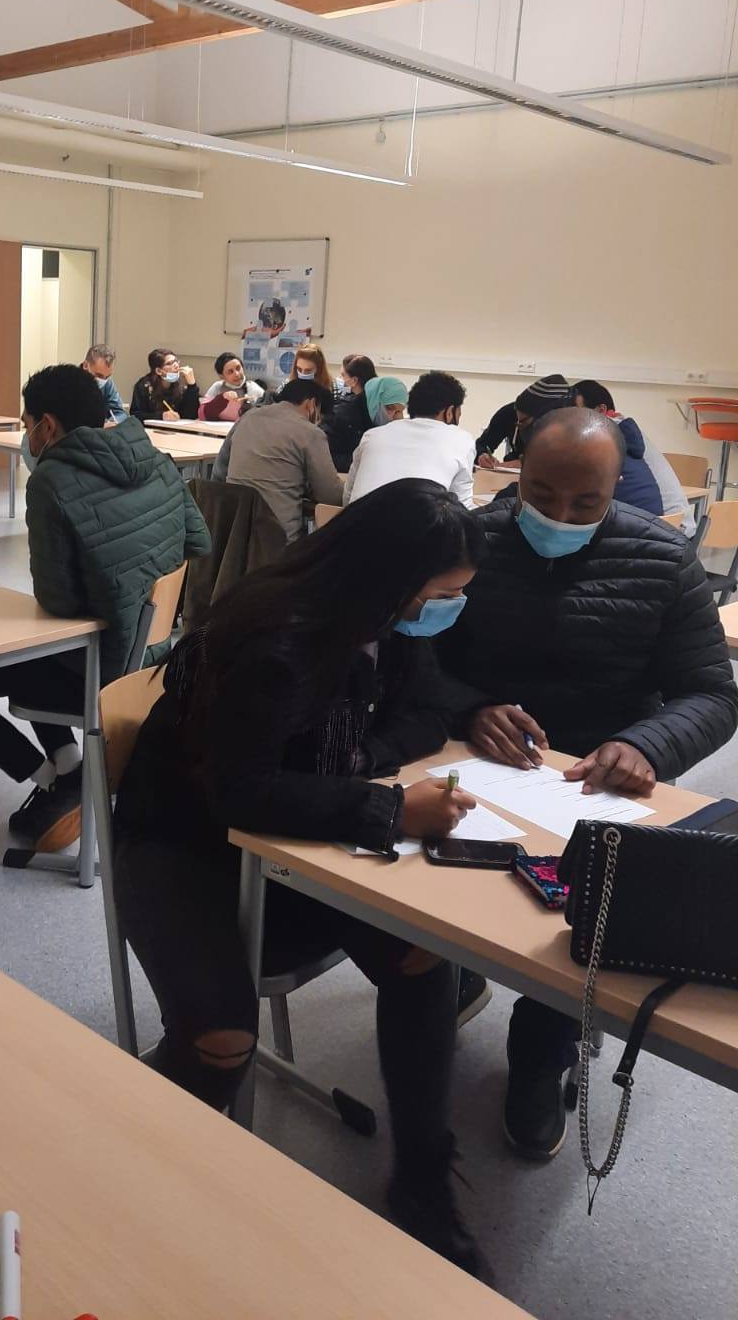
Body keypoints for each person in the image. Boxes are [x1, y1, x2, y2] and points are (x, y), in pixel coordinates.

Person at [114, 481, 486, 1274]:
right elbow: (239, 793)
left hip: (299, 839)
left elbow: (427, 711)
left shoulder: (384, 621)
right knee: (220, 1042)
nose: (446, 611)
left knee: (424, 955)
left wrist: (363, 761)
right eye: (439, 596)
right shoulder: (271, 642)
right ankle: (122, 1173)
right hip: (185, 844)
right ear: (388, 581)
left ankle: (422, 1179)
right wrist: (389, 809)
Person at [438, 408, 738, 1162]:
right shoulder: (475, 539)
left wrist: (645, 744)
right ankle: (450, 980)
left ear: (617, 488)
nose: (560, 517)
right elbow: (419, 662)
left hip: (601, 780)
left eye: (586, 504)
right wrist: (469, 707)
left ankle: (541, 1057)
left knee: (584, 929)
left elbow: (713, 694)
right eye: (541, 496)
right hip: (484, 763)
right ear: (516, 474)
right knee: (435, 890)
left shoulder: (662, 557)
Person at [0, 366, 210, 851]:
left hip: (101, 664)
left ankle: (51, 781)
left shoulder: (51, 481)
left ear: (48, 425)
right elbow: (199, 541)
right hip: (155, 657)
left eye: (27, 423)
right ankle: (71, 767)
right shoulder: (156, 458)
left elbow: (56, 601)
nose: (27, 435)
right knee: (37, 655)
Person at [221, 378, 345, 542]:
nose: (318, 422)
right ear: (311, 404)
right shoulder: (310, 432)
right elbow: (330, 496)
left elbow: (219, 471)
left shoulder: (247, 417)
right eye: (319, 417)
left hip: (232, 531)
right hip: (278, 538)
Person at [346, 371, 475, 508]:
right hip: (417, 521)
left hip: (355, 520)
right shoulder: (462, 440)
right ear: (449, 412)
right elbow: (463, 509)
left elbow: (348, 494)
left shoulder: (372, 435)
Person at [571, 379, 663, 517]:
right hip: (660, 523)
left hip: (638, 525)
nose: (572, 421)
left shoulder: (601, 441)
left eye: (577, 413)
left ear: (601, 410)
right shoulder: (626, 434)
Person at [474, 374, 570, 468]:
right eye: (517, 422)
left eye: (523, 422)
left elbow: (562, 462)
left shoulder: (569, 426)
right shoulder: (509, 413)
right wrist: (481, 455)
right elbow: (482, 444)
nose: (519, 425)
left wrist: (524, 463)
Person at [129, 349, 200, 422]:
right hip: (151, 428)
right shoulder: (144, 386)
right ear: (159, 371)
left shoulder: (181, 385)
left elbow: (190, 415)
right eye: (169, 363)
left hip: (177, 427)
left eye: (176, 361)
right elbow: (136, 415)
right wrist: (161, 416)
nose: (176, 365)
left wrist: (192, 385)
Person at [200, 352, 265, 422]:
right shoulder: (217, 387)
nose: (237, 374)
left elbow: (267, 415)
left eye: (238, 368)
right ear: (221, 376)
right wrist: (222, 398)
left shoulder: (253, 388)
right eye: (230, 372)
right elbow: (202, 414)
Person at [284, 343, 337, 413]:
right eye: (299, 369)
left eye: (308, 370)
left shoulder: (331, 386)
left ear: (319, 369)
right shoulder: (288, 383)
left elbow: (333, 414)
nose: (302, 373)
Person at [81, 344, 127, 423]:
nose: (102, 380)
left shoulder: (108, 384)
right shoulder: (69, 382)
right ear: (85, 365)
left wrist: (112, 422)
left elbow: (120, 413)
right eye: (99, 375)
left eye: (107, 376)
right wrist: (99, 425)